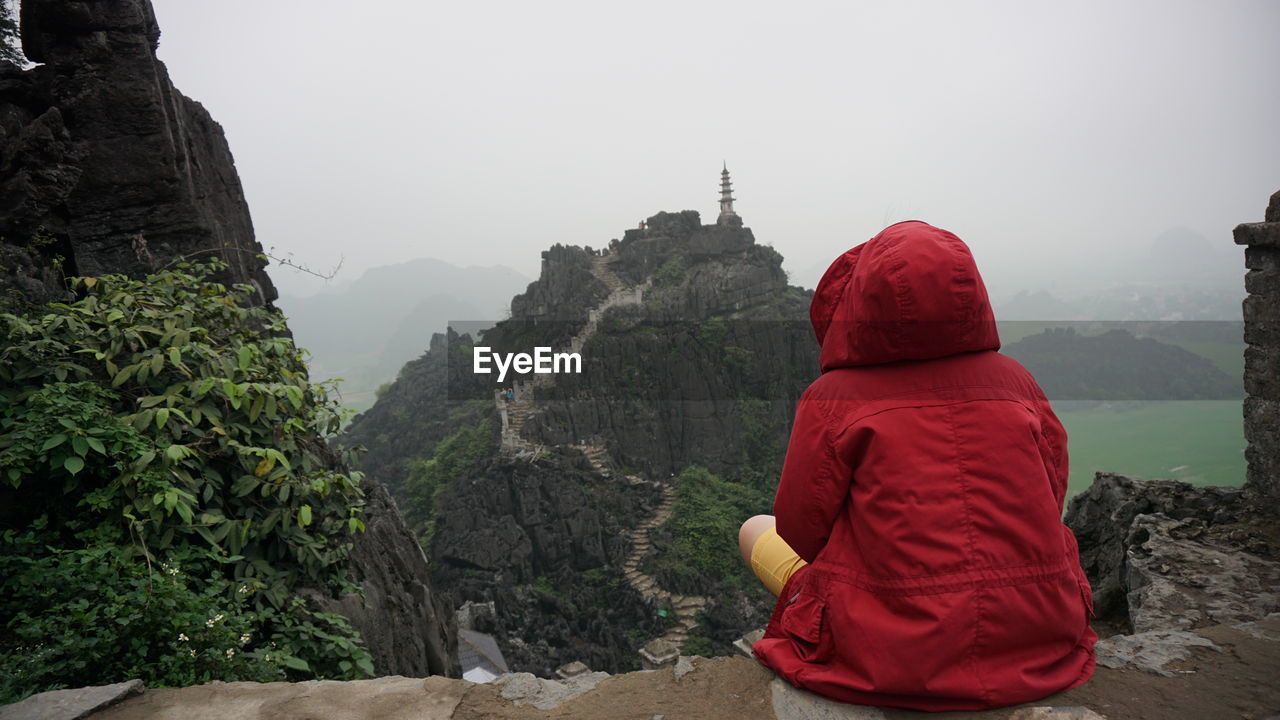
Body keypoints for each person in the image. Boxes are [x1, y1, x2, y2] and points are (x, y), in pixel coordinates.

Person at [740, 221, 1096, 711]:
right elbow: (1050, 494)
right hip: (1038, 632)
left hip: (892, 652)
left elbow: (800, 532)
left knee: (754, 528)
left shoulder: (833, 399)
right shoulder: (1018, 382)